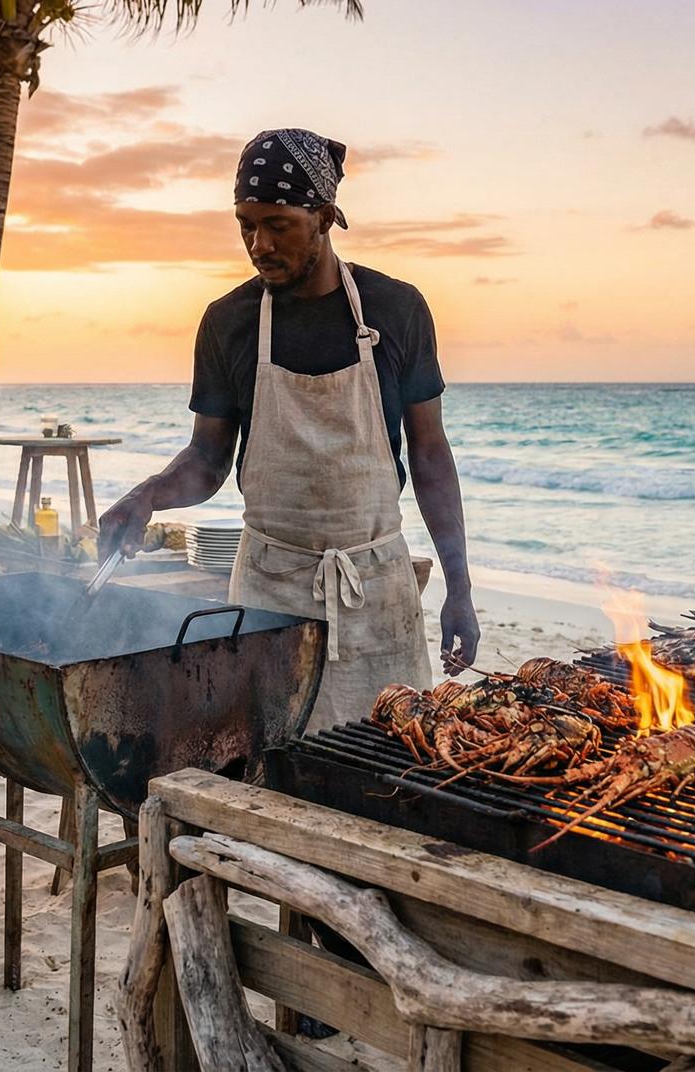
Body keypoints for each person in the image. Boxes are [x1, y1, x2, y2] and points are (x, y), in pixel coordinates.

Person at [98, 129, 479, 733]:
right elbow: (207, 458)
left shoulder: (396, 309)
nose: (258, 244)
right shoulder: (229, 322)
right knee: (272, 762)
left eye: (278, 224)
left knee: (386, 760)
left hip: (375, 587)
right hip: (269, 592)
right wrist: (148, 494)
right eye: (245, 224)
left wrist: (459, 589)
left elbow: (430, 458)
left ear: (325, 217)